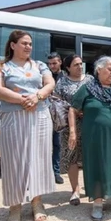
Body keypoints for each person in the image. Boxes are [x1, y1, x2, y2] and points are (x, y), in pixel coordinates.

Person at [0, 30, 55, 221]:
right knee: (13, 160)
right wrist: (22, 99)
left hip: (40, 114)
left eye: (30, 44)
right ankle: (15, 205)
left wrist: (38, 96)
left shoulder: (39, 65)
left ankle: (37, 202)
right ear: (12, 45)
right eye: (24, 43)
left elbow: (50, 83)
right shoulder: (1, 66)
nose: (28, 47)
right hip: (13, 117)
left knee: (39, 158)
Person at [69, 56, 111, 221]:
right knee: (98, 164)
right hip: (96, 137)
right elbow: (72, 109)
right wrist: (72, 132)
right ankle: (97, 203)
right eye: (109, 69)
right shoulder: (87, 88)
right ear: (99, 70)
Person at [53, 54, 93, 205]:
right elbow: (55, 101)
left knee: (90, 156)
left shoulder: (90, 80)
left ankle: (92, 188)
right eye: (76, 64)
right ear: (68, 67)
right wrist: (72, 110)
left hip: (89, 123)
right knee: (72, 157)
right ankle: (75, 190)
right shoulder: (62, 82)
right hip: (70, 126)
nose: (80, 66)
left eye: (81, 64)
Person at [47, 52, 65, 185]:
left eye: (54, 63)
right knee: (45, 145)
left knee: (58, 145)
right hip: (46, 113)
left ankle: (56, 172)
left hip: (60, 115)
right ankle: (45, 173)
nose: (52, 66)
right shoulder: (45, 76)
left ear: (60, 63)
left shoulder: (65, 77)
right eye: (50, 64)